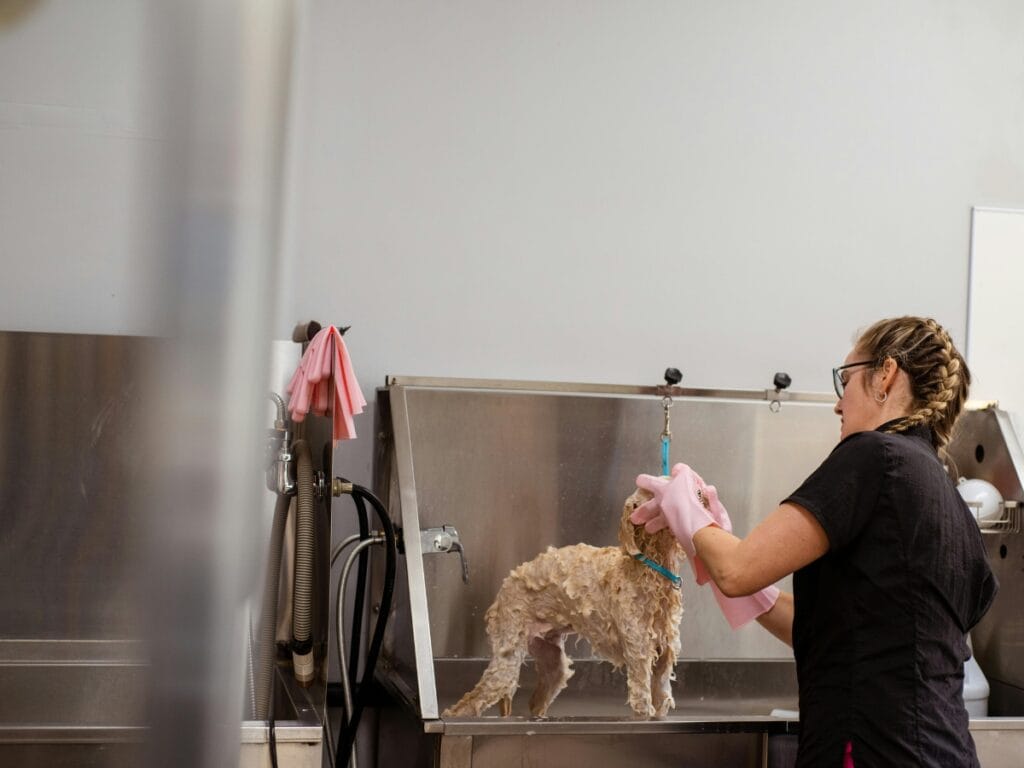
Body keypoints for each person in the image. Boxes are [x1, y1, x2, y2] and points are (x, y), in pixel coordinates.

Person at [631, 316, 998, 768]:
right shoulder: (949, 501)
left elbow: (736, 571)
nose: (838, 405)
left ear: (885, 374)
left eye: (845, 381)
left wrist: (685, 505)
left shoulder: (874, 456)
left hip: (871, 751)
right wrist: (719, 545)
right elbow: (841, 631)